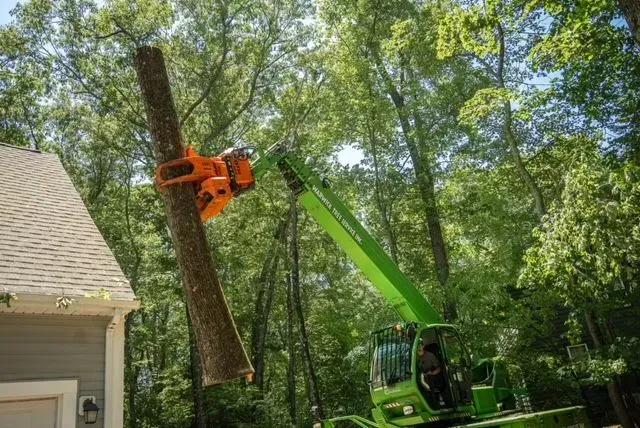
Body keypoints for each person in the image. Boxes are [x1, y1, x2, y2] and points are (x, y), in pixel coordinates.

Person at [417, 344, 451, 408]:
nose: (419, 347)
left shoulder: (430, 356)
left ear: (423, 346)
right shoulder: (414, 357)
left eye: (420, 345)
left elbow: (439, 368)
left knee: (432, 382)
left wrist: (432, 373)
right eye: (417, 346)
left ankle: (436, 403)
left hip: (432, 376)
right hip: (421, 378)